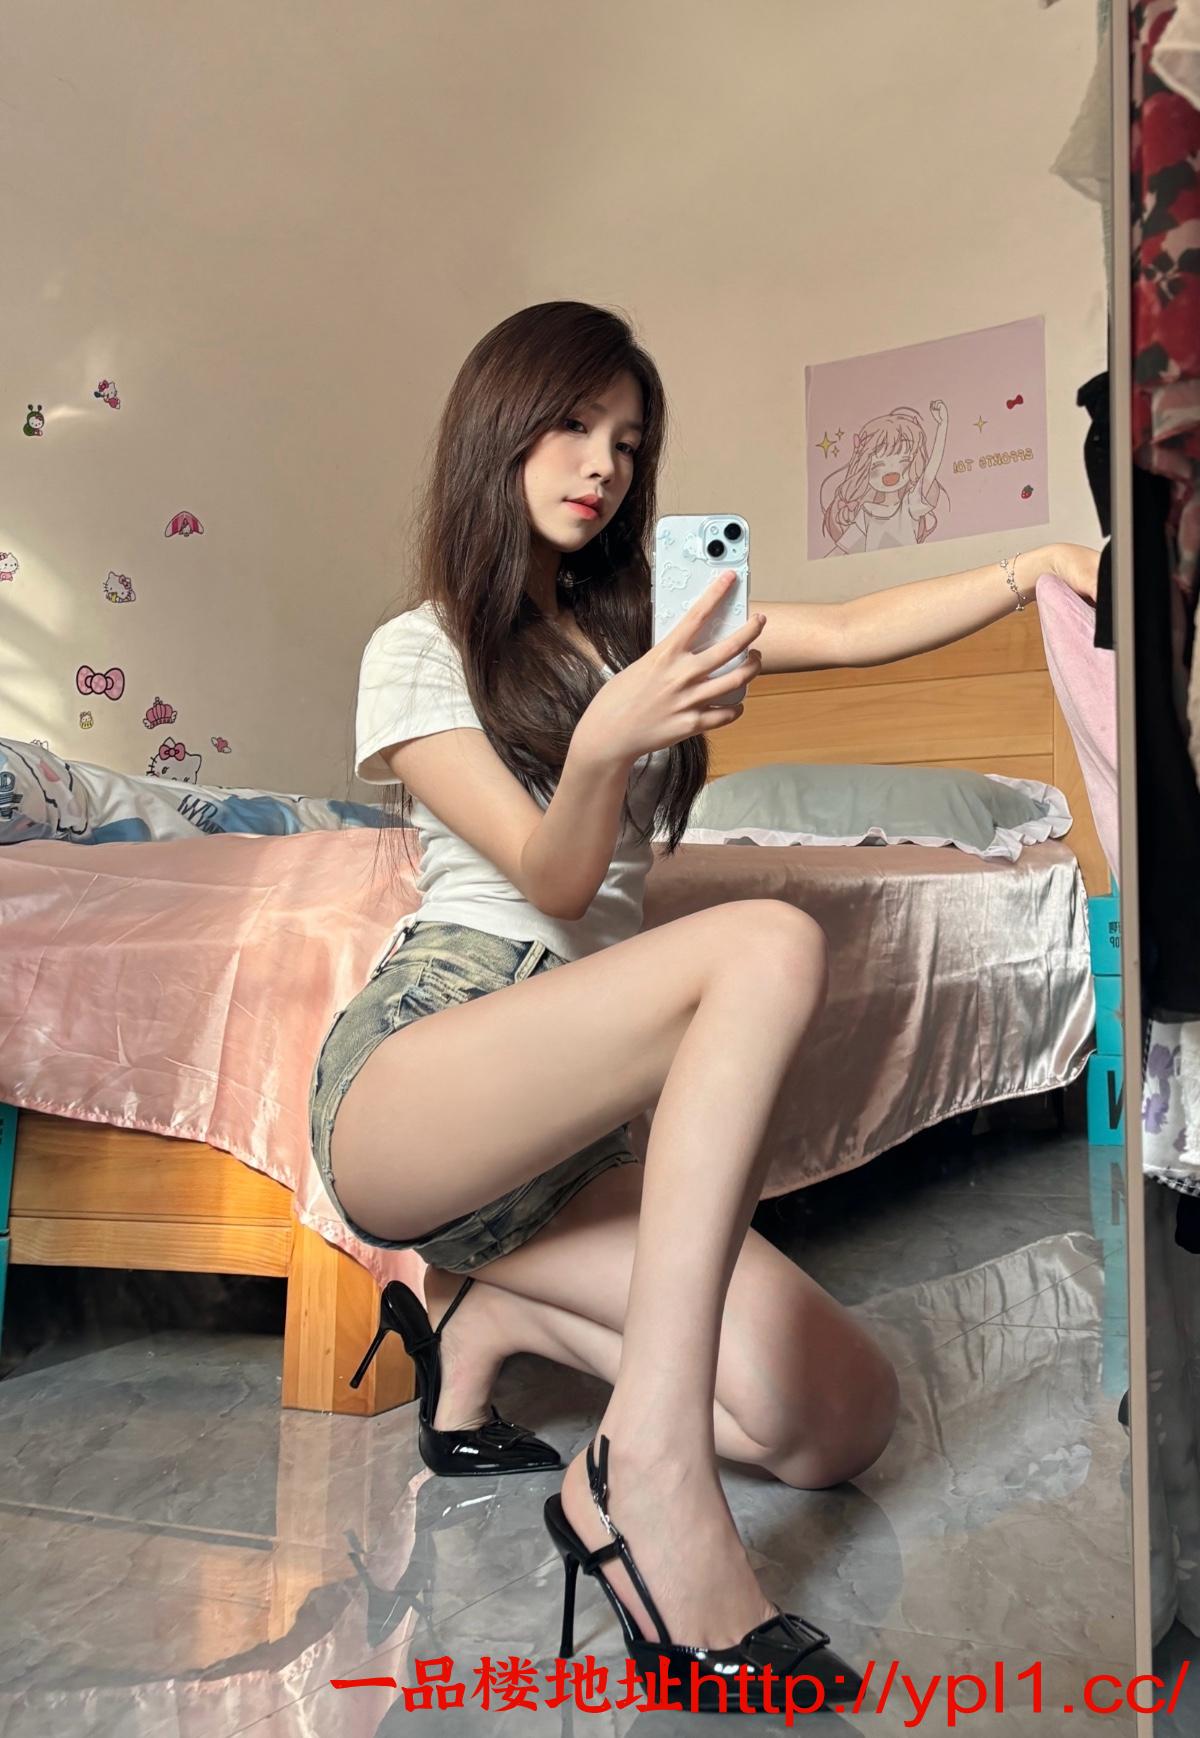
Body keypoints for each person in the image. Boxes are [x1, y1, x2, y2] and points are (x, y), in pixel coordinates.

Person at [307, 300, 1100, 1705]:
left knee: (841, 1418)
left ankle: (493, 1318)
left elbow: (852, 627)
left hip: (570, 1140)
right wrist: (606, 741)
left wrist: (1030, 564)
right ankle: (648, 1476)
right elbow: (553, 879)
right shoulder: (419, 647)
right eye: (570, 425)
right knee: (765, 944)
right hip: (430, 1069)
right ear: (497, 428)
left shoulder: (648, 637)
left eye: (627, 441)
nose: (601, 465)